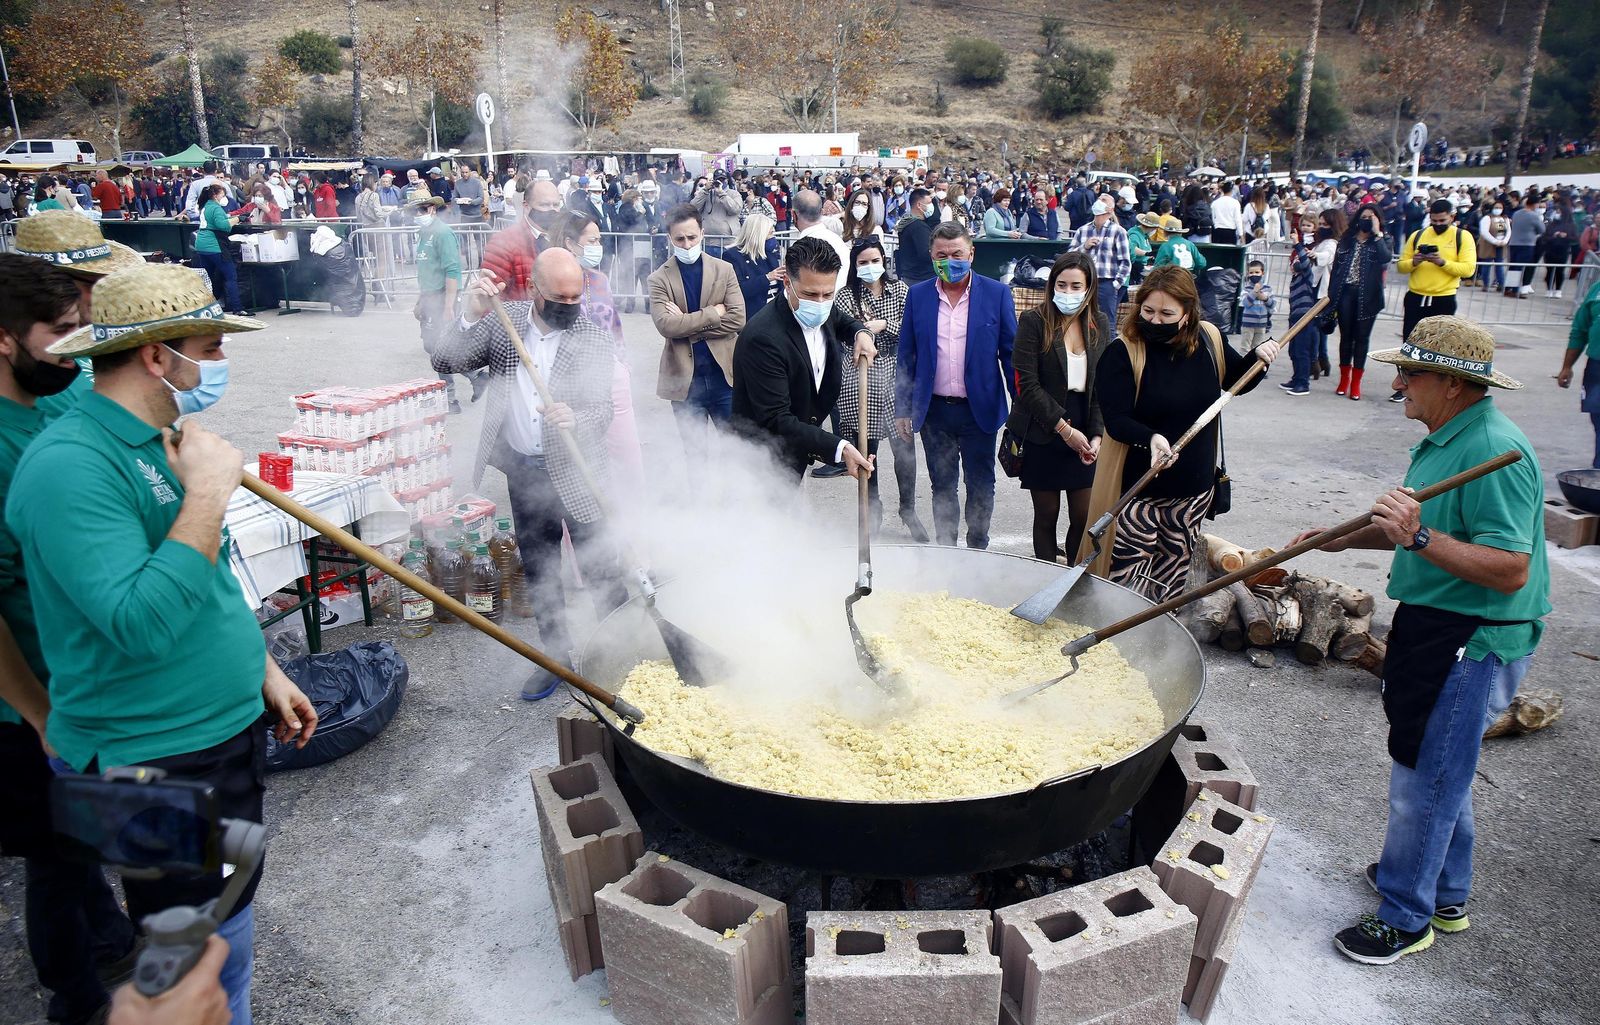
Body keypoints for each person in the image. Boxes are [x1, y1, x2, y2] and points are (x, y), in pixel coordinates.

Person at [6, 263, 318, 1024]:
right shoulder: (68, 466)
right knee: (194, 960)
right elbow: (139, 621)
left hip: (220, 732)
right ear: (155, 355)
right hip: (157, 757)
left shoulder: (157, 436)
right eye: (208, 348)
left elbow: (201, 579)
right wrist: (210, 491)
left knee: (228, 922)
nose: (217, 366)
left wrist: (263, 664)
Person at [1288, 317, 1548, 966]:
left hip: (1476, 635)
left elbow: (1511, 567)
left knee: (1425, 779)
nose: (1397, 382)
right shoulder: (1443, 436)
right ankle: (1446, 892)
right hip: (1435, 618)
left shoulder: (1495, 451)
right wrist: (1345, 537)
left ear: (1455, 385)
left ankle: (1407, 915)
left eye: (1411, 373)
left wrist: (1421, 539)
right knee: (1436, 768)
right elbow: (1414, 525)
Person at [0, 255, 138, 1025]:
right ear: (3, 339)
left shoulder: (50, 401)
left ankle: (111, 932)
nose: (75, 346)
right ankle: (74, 996)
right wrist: (38, 709)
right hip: (27, 698)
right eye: (60, 332)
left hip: (75, 680)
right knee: (53, 853)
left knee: (79, 832)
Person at [433, 250, 628, 699]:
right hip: (524, 471)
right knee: (540, 570)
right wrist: (468, 314)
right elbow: (445, 361)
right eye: (560, 296)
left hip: (578, 471)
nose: (570, 304)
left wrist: (576, 417)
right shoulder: (506, 322)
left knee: (601, 567)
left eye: (577, 295)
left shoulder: (592, 337)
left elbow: (604, 409)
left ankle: (619, 654)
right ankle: (556, 657)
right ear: (535, 291)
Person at [1085, 265, 1279, 600]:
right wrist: (1151, 438)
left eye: (1166, 313)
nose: (1155, 321)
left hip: (1193, 486)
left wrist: (1258, 359)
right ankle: (1119, 634)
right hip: (1138, 489)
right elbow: (1116, 419)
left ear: (1187, 314)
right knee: (1129, 576)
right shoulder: (1123, 352)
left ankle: (1161, 633)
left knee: (1174, 568)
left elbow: (1233, 381)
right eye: (1148, 311)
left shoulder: (1208, 338)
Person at [895, 222, 1018, 550]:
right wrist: (902, 409)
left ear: (971, 254)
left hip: (980, 411)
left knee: (980, 485)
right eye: (942, 255)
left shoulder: (997, 294)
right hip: (935, 412)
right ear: (932, 256)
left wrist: (1021, 409)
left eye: (957, 254)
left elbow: (1010, 356)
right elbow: (906, 356)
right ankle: (946, 550)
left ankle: (978, 547)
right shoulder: (919, 296)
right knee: (943, 486)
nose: (950, 261)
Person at [730, 236, 875, 481]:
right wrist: (840, 448)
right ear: (787, 283)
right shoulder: (763, 338)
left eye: (828, 294)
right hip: (760, 462)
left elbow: (841, 320)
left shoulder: (823, 307)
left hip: (795, 452)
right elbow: (776, 418)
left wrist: (861, 332)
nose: (820, 303)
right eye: (810, 294)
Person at [1011, 252, 1110, 562]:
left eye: (1075, 286)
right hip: (1044, 427)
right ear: (1052, 285)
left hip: (1084, 420)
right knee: (1047, 513)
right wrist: (1065, 431)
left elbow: (1102, 385)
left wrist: (1096, 435)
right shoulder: (1033, 321)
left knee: (1083, 514)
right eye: (1061, 285)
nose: (1067, 293)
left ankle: (1073, 578)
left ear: (1090, 288)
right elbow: (1027, 385)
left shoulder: (1100, 324)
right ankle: (1046, 573)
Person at [832, 235, 926, 539]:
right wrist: (863, 332)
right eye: (863, 262)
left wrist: (884, 325)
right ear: (855, 265)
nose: (870, 267)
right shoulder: (846, 296)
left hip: (897, 375)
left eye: (875, 261)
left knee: (904, 450)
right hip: (861, 376)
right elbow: (846, 338)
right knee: (865, 449)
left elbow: (911, 332)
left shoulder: (901, 290)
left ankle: (908, 509)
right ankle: (871, 508)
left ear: (884, 261)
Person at [648, 204, 746, 473]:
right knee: (695, 454)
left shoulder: (724, 269)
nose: (687, 243)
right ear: (670, 239)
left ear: (702, 233)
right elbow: (666, 326)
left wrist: (687, 323)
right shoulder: (659, 279)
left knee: (733, 449)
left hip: (724, 377)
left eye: (692, 237)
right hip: (685, 383)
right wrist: (713, 313)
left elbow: (738, 319)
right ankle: (700, 508)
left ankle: (735, 506)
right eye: (680, 239)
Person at [1392, 198, 1476, 403]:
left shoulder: (1462, 237)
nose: (1438, 224)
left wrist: (1441, 262)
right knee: (1410, 344)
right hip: (1416, 297)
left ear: (1452, 217)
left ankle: (1435, 388)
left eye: (1442, 220)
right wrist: (1415, 261)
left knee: (1439, 346)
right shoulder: (1418, 235)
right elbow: (1401, 266)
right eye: (1434, 220)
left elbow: (1468, 269)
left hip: (1443, 297)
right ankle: (1406, 384)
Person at [410, 195, 473, 415]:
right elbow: (425, 271)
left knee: (440, 348)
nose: (418, 214)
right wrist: (420, 301)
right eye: (415, 211)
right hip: (429, 296)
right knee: (433, 346)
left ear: (433, 209)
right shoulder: (422, 233)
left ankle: (451, 398)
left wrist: (448, 306)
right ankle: (476, 377)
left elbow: (452, 270)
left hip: (442, 295)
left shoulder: (443, 233)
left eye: (422, 209)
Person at [1325, 205, 1390, 401]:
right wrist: (1330, 298)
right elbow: (1336, 269)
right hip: (1346, 293)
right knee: (1346, 338)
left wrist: (1377, 233)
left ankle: (1356, 383)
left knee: (1362, 339)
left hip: (1369, 296)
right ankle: (1344, 379)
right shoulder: (1347, 239)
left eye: (1371, 217)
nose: (1367, 220)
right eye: (1364, 217)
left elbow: (1385, 258)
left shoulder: (1382, 239)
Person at [481, 178, 561, 302]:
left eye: (556, 205)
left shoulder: (564, 238)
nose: (552, 210)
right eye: (544, 205)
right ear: (526, 206)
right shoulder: (504, 242)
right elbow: (490, 299)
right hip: (519, 318)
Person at [1070, 198, 1132, 324]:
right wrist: (1084, 247)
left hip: (1106, 282)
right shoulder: (1082, 230)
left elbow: (1125, 262)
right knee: (1080, 320)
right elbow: (1069, 256)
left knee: (1107, 323)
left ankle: (1107, 344)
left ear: (1111, 210)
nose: (1100, 201)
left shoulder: (1118, 231)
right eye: (1099, 199)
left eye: (1104, 200)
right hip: (1084, 281)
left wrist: (1115, 284)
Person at [1560, 277, 1600, 467]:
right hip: (1596, 366)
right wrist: (1567, 366)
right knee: (1598, 420)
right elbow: (1580, 330)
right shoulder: (1596, 291)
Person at [191, 183, 248, 317]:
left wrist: (232, 218)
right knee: (231, 275)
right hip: (215, 245)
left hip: (202, 245)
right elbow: (222, 225)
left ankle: (205, 307)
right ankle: (237, 307)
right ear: (215, 195)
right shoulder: (216, 208)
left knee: (208, 278)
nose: (224, 196)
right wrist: (238, 219)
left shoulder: (206, 206)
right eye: (222, 194)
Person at [718, 213, 782, 319]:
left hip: (775, 315)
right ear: (758, 234)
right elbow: (737, 291)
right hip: (752, 317)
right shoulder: (732, 256)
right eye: (770, 234)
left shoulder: (770, 254)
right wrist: (767, 278)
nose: (773, 238)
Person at [895, 188, 937, 285]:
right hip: (921, 277)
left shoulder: (906, 222)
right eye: (929, 203)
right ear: (919, 205)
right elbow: (926, 253)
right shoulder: (919, 227)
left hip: (909, 275)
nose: (932, 206)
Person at [1505, 193, 1543, 298]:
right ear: (1535, 204)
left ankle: (1508, 287)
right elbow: (1541, 229)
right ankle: (1515, 290)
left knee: (1513, 266)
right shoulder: (1534, 216)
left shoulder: (1516, 213)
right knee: (1520, 267)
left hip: (1514, 243)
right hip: (1527, 244)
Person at [1540, 198, 1578, 298]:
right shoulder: (1552, 224)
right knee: (1549, 271)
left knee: (1559, 271)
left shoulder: (1571, 225)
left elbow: (1575, 238)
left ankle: (1558, 289)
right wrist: (1554, 236)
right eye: (1556, 211)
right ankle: (1549, 289)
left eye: (1559, 212)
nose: (1557, 213)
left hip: (1562, 250)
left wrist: (1566, 236)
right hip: (1550, 250)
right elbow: (1545, 237)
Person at [693, 172, 743, 241]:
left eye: (723, 179)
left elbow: (735, 210)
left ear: (727, 180)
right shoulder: (706, 193)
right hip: (707, 240)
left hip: (727, 241)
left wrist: (721, 193)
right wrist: (705, 190)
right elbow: (694, 208)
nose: (720, 182)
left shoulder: (734, 194)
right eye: (718, 180)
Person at [1239, 259, 1274, 351]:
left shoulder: (1267, 288)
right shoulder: (1246, 288)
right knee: (1245, 347)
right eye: (1251, 272)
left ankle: (1255, 365)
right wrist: (1254, 292)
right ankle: (1244, 365)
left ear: (1262, 273)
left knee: (1258, 348)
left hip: (1261, 323)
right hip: (1248, 323)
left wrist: (1265, 298)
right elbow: (1246, 303)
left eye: (1257, 272)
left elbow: (1272, 304)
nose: (1254, 274)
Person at [1476, 200, 1511, 292]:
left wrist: (1504, 241)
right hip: (1488, 245)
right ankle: (1486, 285)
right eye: (1496, 207)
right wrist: (1494, 241)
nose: (1498, 209)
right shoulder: (1487, 218)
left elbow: (1508, 231)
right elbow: (1484, 232)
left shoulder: (1505, 218)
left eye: (1500, 208)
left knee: (1499, 265)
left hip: (1501, 245)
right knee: (1486, 265)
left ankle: (1501, 284)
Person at [1209, 180, 1242, 245]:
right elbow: (1238, 219)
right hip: (1230, 231)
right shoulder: (1235, 203)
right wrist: (1240, 233)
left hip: (1217, 230)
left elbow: (1213, 218)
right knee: (1229, 253)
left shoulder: (1215, 202)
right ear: (1231, 190)